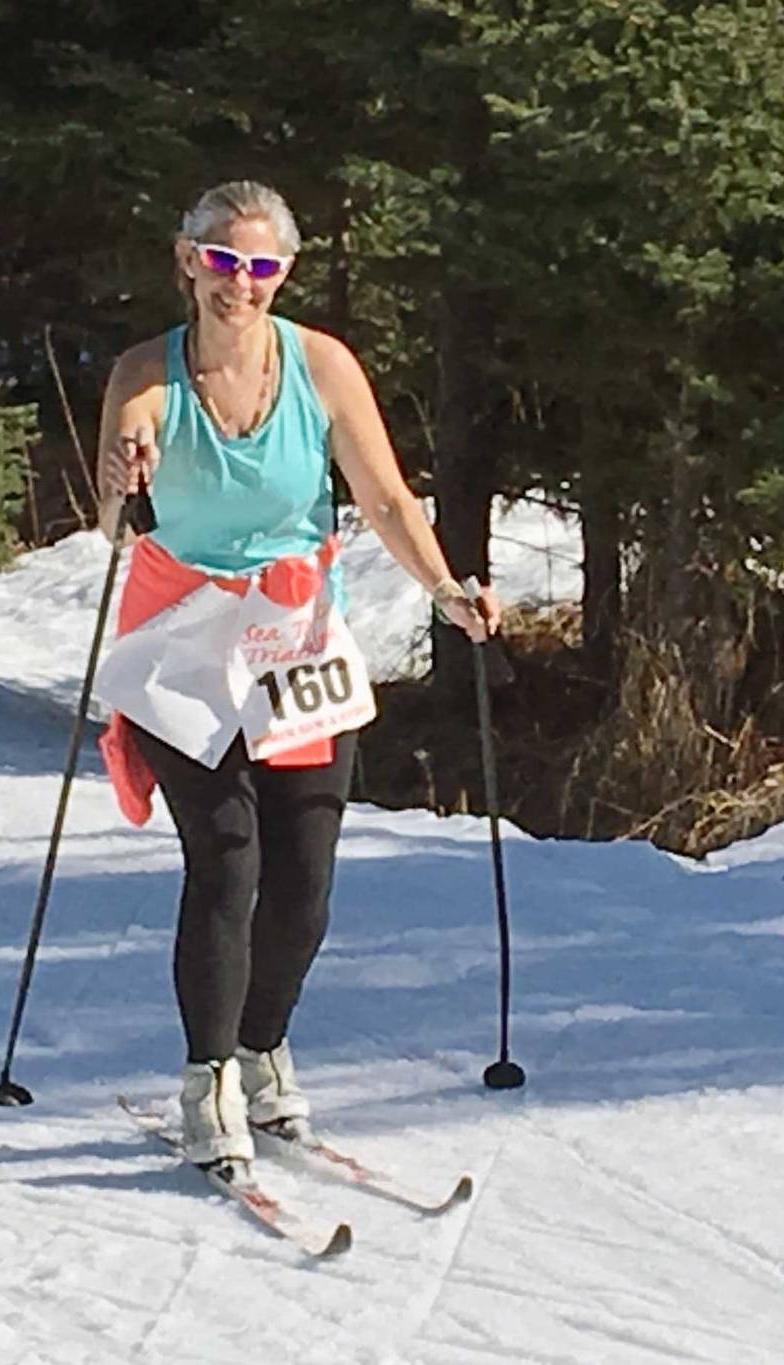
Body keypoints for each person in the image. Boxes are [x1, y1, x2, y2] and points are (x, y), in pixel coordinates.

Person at [94, 180, 501, 1178]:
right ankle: (207, 1081)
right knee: (226, 860)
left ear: (284, 272)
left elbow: (387, 496)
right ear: (187, 261)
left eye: (262, 266)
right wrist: (124, 474)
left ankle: (261, 1044)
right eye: (223, 262)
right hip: (181, 644)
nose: (243, 285)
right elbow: (114, 516)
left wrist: (445, 588)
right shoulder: (147, 373)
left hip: (295, 638)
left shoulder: (319, 365)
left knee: (304, 884)